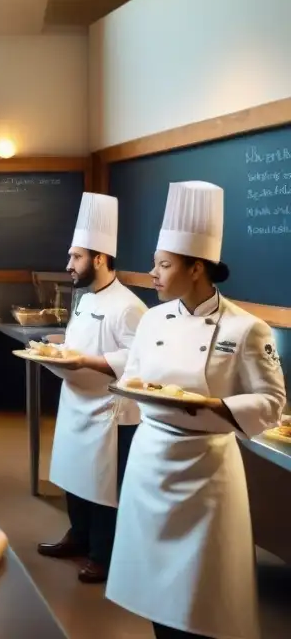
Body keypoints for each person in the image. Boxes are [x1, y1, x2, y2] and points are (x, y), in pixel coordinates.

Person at [106, 181, 286, 639]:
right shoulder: (151, 319)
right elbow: (132, 378)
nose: (153, 274)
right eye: (155, 264)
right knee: (151, 586)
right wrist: (136, 389)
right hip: (150, 460)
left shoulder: (248, 329)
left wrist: (212, 404)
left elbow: (272, 403)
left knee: (199, 591)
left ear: (197, 267)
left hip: (206, 468)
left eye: (164, 265)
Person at [36, 192, 146, 584]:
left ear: (99, 258)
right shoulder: (83, 299)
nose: (68, 264)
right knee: (71, 475)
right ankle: (78, 536)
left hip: (108, 411)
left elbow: (137, 359)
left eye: (76, 257)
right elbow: (78, 345)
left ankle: (104, 552)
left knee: (103, 486)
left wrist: (83, 362)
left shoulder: (130, 306)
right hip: (76, 402)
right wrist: (59, 350)